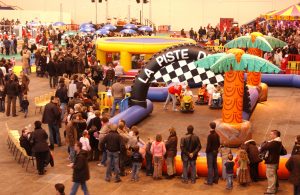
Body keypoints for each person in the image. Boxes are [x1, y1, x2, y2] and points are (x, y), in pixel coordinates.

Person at [260, 130, 286, 194]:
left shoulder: (274, 143)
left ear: (275, 135)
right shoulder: (279, 142)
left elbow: (263, 147)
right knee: (274, 175)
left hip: (271, 161)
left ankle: (271, 191)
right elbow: (283, 152)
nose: (270, 135)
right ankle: (275, 187)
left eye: (271, 134)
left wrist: (265, 143)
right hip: (275, 161)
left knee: (270, 176)